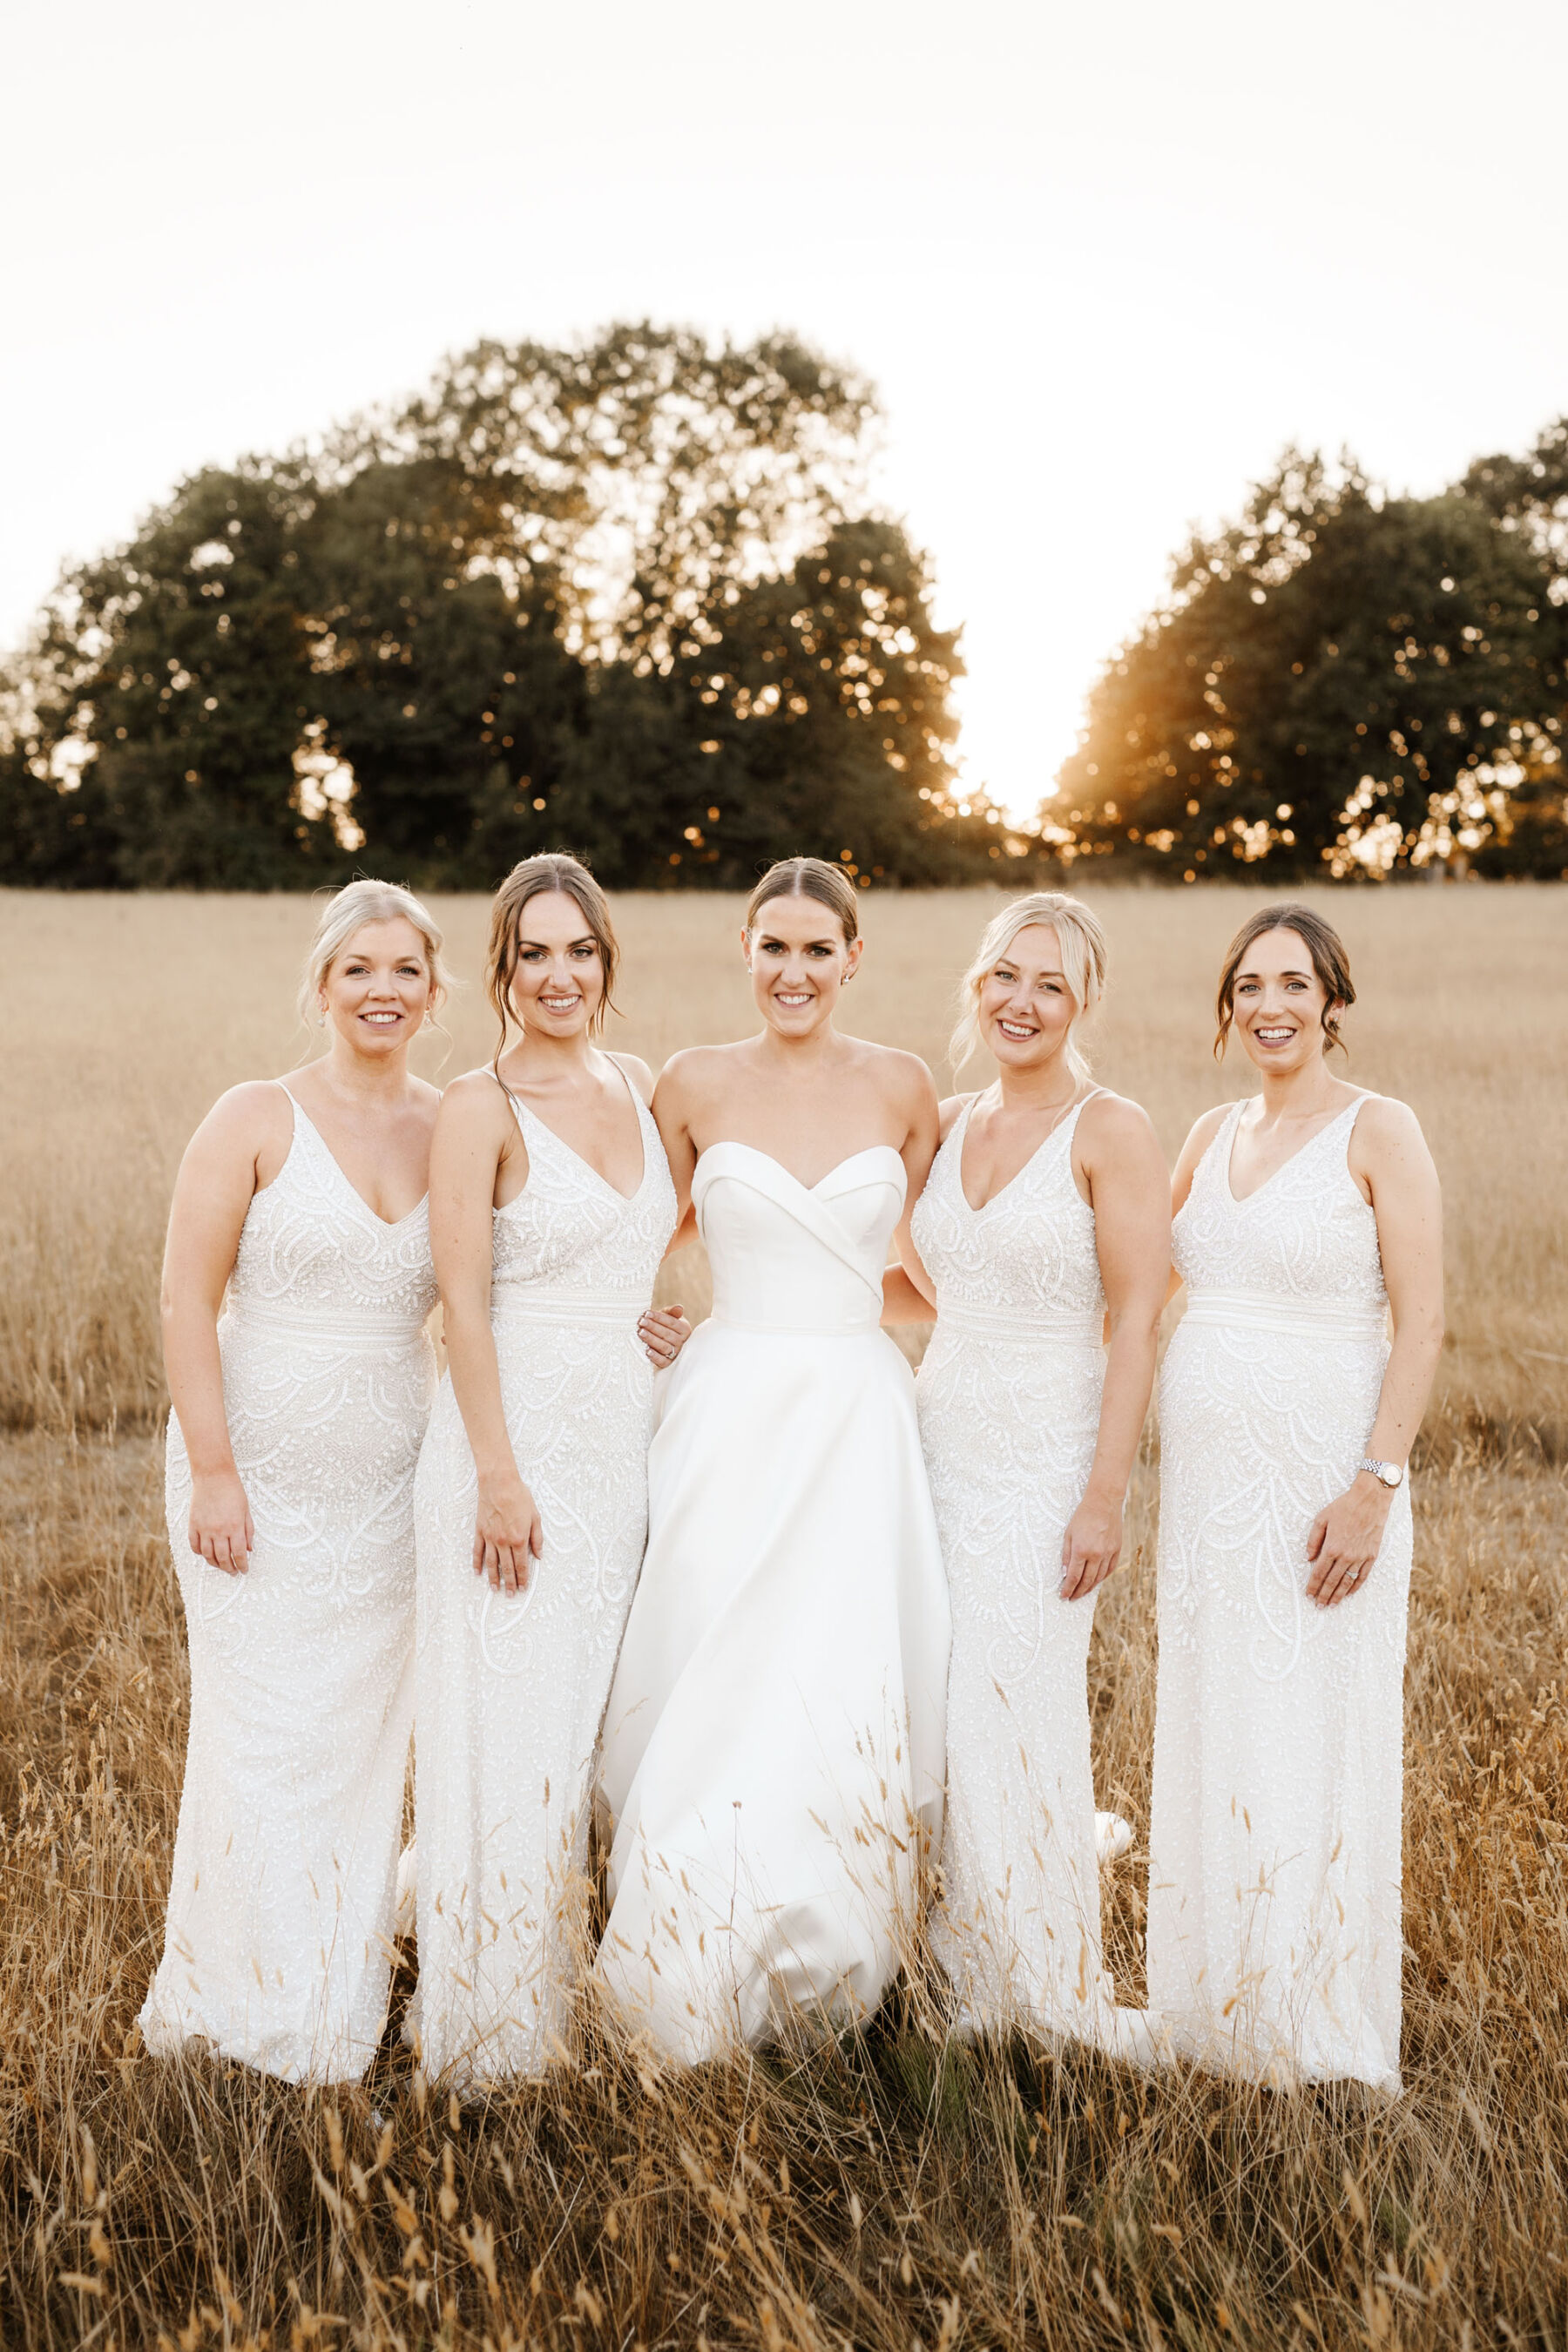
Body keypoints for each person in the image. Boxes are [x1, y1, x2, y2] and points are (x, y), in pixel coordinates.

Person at [596, 856, 951, 2064]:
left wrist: (990, 1339)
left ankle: (839, 1951)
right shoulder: (689, 1085)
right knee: (715, 1661)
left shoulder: (906, 1088)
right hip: (729, 1402)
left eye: (817, 950)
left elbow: (930, 1271)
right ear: (743, 953)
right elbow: (622, 1234)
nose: (793, 972)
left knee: (840, 1667)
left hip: (857, 1410)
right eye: (773, 947)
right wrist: (635, 1320)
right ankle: (689, 1938)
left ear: (854, 960)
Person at [140, 879, 449, 2082]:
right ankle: (233, 2001)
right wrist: (215, 1471)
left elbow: (505, 1288)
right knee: (262, 1735)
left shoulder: (454, 1124)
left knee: (361, 1741)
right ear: (322, 986)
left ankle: (330, 2004)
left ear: (433, 989)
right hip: (252, 1475)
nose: (382, 991)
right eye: (358, 970)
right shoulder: (255, 1115)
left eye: (404, 971)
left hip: (388, 1487)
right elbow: (184, 1297)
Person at [1148, 903, 1443, 2093]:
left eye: (1294, 984)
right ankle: (1217, 2008)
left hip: (1328, 1491)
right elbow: (1138, 1285)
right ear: (1229, 1006)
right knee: (1221, 1716)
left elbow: (1422, 1320)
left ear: (1332, 1002)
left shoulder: (1382, 1130)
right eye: (1250, 985)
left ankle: (1312, 2020)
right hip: (1210, 1503)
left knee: (1315, 1727)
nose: (1271, 1004)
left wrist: (1375, 1485)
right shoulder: (1208, 1132)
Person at [411, 854, 686, 2083]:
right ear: (503, 970)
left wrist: (661, 1327)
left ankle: (572, 1991)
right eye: (536, 954)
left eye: (581, 952)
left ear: (607, 964)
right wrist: (498, 1477)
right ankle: (486, 2040)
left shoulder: (639, 1085)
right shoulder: (478, 1106)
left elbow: (639, 1261)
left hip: (623, 1443)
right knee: (505, 1730)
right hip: (508, 1452)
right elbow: (461, 1309)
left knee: (586, 1734)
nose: (559, 975)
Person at [887, 894, 1168, 2051]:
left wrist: (1104, 1494)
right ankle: (951, 1974)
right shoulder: (947, 1123)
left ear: (1082, 1002)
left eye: (1051, 984)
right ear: (977, 985)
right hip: (937, 1440)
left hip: (1051, 1459)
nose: (1024, 1001)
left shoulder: (1111, 1129)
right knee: (943, 1706)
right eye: (1008, 976)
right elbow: (913, 1285)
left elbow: (1142, 1309)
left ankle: (1036, 1988)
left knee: (1019, 1700)